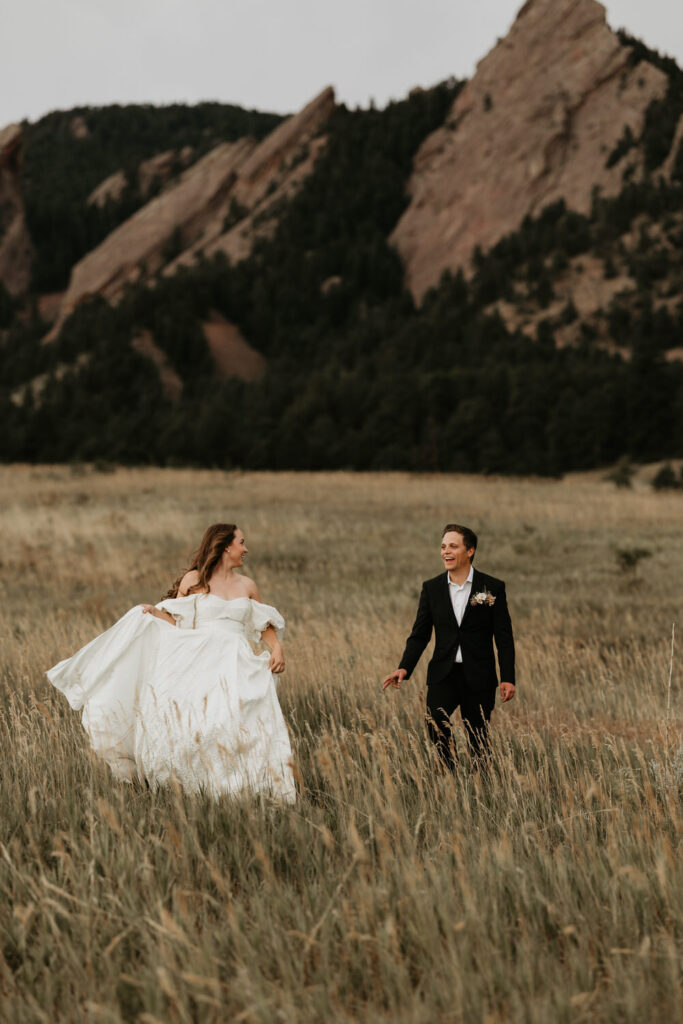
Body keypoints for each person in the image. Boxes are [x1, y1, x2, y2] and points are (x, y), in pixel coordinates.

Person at [47, 524, 296, 801]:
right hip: (200, 658)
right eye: (242, 542)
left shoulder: (248, 586)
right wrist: (153, 612)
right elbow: (178, 623)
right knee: (202, 723)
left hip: (236, 660)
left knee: (236, 721)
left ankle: (243, 786)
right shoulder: (194, 579)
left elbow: (263, 625)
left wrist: (277, 649)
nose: (245, 549)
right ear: (226, 546)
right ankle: (197, 785)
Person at [382, 524, 515, 771]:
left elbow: (504, 637)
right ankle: (448, 773)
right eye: (443, 546)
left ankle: (482, 787)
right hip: (444, 673)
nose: (446, 551)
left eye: (453, 546)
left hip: (479, 675)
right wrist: (404, 668)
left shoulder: (492, 588)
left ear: (470, 551)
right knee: (435, 723)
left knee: (478, 736)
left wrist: (508, 677)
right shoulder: (431, 588)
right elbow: (420, 635)